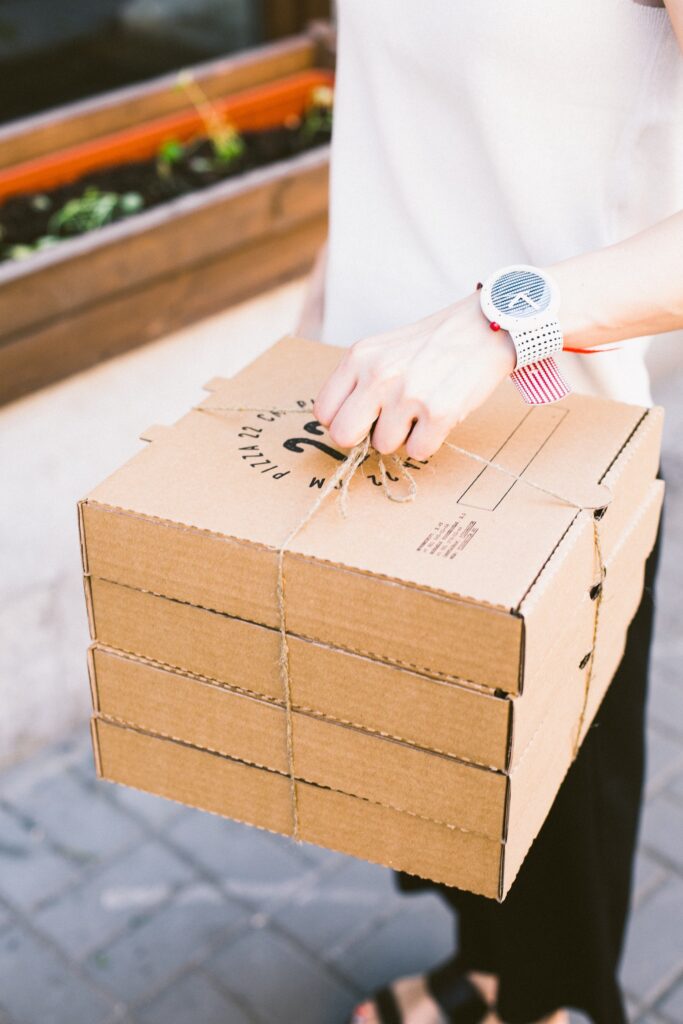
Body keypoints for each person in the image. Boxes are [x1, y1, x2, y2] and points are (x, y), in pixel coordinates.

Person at [295, 2, 683, 1023]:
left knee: (550, 808)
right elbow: (402, 124)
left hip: (551, 453)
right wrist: (311, 318)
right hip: (380, 422)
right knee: (428, 773)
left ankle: (554, 999)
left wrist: (499, 318)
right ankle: (489, 971)